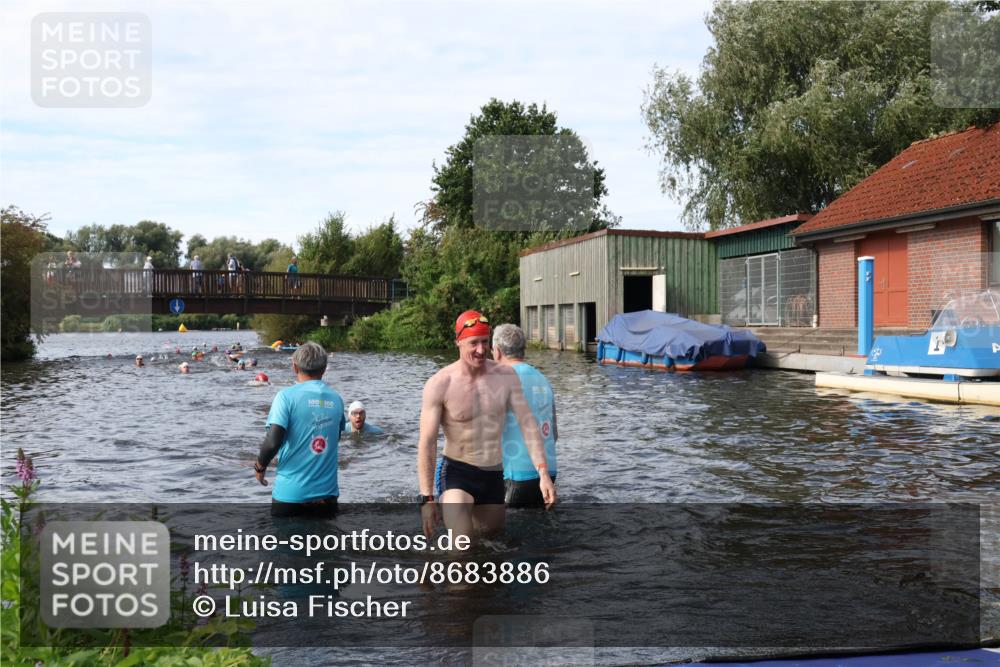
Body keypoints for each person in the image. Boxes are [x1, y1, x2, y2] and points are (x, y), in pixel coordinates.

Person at [417, 310, 555, 541]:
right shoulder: (440, 383)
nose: (481, 350)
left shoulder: (506, 376)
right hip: (457, 473)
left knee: (491, 545)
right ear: (458, 342)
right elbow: (427, 442)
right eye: (473, 343)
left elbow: (527, 423)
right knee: (462, 545)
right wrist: (427, 498)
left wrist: (543, 473)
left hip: (493, 474)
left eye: (484, 342)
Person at [254, 342, 346, 516]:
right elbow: (335, 438)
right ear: (324, 368)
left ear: (294, 367)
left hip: (291, 495)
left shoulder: (285, 397)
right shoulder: (337, 399)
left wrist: (260, 467)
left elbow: (273, 441)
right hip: (327, 496)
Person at [492, 324, 558, 507]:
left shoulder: (500, 379)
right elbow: (555, 433)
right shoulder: (542, 379)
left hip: (515, 477)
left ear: (497, 352)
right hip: (549, 474)